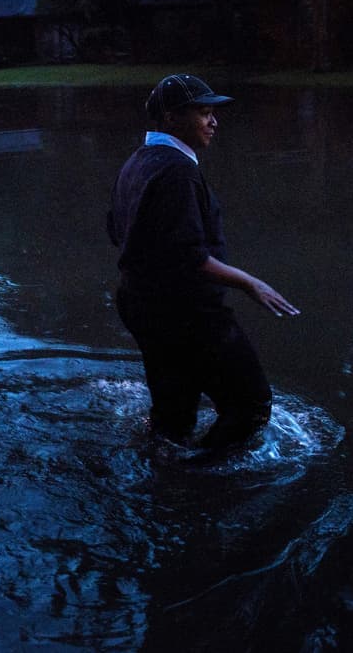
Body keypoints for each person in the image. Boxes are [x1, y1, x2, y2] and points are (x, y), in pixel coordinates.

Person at [107, 73, 300, 450]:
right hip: (186, 314)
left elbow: (116, 230)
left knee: (173, 417)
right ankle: (202, 481)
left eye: (213, 112)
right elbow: (189, 257)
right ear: (170, 118)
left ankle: (165, 480)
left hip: (140, 304)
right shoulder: (178, 170)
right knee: (251, 406)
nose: (214, 122)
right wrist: (251, 283)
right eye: (202, 113)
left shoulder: (138, 160)